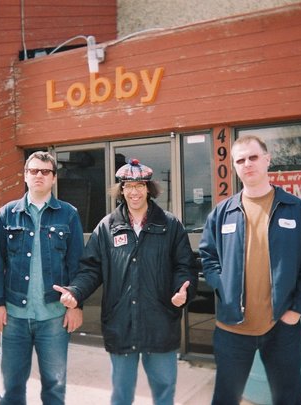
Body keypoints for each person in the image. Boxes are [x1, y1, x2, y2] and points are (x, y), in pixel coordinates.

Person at [53, 158, 198, 405]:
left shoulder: (170, 225)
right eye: (128, 186)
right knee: (122, 392)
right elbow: (91, 268)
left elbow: (185, 266)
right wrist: (76, 291)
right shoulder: (107, 227)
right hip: (121, 323)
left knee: (164, 389)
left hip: (160, 321)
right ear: (121, 190)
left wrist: (182, 288)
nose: (134, 192)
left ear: (148, 189)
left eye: (140, 185)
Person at [199, 135, 301, 405]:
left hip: (281, 327)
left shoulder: (296, 210)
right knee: (225, 399)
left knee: (288, 398)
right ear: (234, 166)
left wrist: (296, 311)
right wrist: (222, 284)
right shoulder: (221, 213)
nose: (247, 164)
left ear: (267, 160)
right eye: (240, 160)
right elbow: (207, 257)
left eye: (253, 157)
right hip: (232, 329)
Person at [0, 151, 84, 405]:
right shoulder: (8, 213)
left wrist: (77, 305)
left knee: (54, 387)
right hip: (14, 316)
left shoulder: (68, 214)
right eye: (34, 171)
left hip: (54, 316)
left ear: (53, 178)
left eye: (45, 171)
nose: (39, 175)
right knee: (11, 388)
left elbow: (77, 265)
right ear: (25, 176)